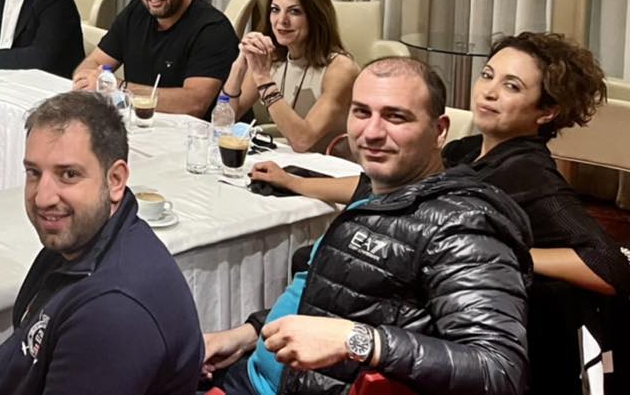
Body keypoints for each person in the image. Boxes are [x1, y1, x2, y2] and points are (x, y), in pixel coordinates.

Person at [251, 32, 630, 392]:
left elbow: (609, 265)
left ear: (546, 112)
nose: (490, 92)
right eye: (487, 75)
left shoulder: (530, 173)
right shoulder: (470, 150)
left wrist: (508, 251)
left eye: (512, 86)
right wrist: (295, 182)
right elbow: (376, 186)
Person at [201, 58, 532, 395]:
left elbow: (499, 369)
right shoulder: (376, 195)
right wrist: (246, 335)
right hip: (249, 371)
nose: (372, 133)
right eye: (361, 112)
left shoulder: (461, 225)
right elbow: (328, 297)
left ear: (440, 131)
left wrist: (358, 340)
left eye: (395, 117)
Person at [0, 91, 202, 394]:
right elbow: (4, 369)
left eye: (69, 174)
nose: (43, 198)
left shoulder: (112, 312)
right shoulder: (79, 243)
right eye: (34, 173)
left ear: (115, 180)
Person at [72, 0, 238, 117]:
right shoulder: (136, 12)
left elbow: (195, 103)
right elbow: (93, 62)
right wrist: (86, 79)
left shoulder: (212, 29)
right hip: (140, 122)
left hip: (194, 131)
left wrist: (118, 88)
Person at [216, 0, 358, 152]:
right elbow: (222, 122)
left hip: (330, 164)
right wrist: (239, 64)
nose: (281, 20)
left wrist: (263, 79)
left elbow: (303, 140)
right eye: (275, 10)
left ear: (316, 17)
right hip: (287, 158)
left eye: (294, 11)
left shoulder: (341, 69)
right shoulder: (271, 57)